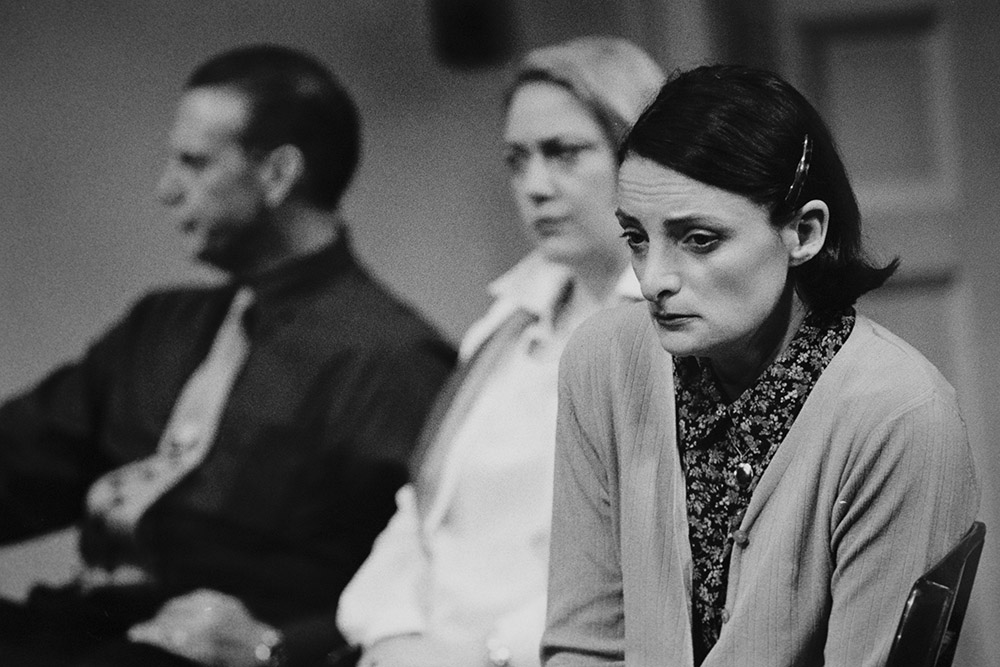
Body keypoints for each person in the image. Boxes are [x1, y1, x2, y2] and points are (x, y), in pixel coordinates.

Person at [0, 44, 455, 667]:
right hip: (76, 629)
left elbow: (430, 577)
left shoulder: (391, 362)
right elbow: (23, 459)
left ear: (277, 175)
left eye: (193, 163)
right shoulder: (158, 326)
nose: (166, 191)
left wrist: (279, 650)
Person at [542, 64, 980, 666]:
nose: (652, 280)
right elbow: (583, 642)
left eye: (699, 239)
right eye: (637, 238)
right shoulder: (605, 362)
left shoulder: (898, 416)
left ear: (803, 232)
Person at [335, 37, 664, 667]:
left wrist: (485, 652)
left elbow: (646, 559)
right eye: (517, 160)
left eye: (565, 154)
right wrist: (392, 631)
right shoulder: (510, 320)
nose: (535, 186)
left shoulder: (668, 333)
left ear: (641, 156)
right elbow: (426, 511)